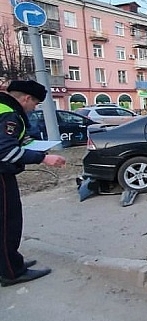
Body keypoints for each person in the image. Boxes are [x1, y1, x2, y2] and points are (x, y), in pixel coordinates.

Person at [0, 80, 67, 287]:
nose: (34, 108)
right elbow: (4, 151)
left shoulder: (3, 107)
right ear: (26, 98)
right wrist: (43, 158)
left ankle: (8, 263)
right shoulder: (10, 114)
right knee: (7, 224)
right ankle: (12, 272)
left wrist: (27, 144)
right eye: (35, 103)